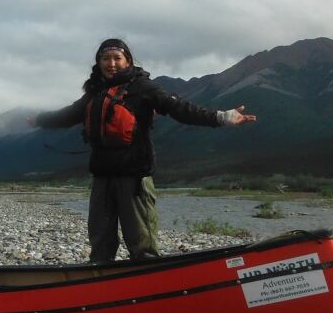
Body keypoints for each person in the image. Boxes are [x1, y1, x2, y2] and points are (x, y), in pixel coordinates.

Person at [31, 38, 256, 262]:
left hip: (134, 175)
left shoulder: (143, 87)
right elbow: (68, 115)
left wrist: (222, 117)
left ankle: (147, 275)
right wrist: (40, 119)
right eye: (105, 58)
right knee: (100, 241)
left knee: (142, 242)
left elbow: (180, 109)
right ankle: (100, 275)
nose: (111, 63)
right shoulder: (95, 92)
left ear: (127, 61)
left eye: (117, 58)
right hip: (102, 176)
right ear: (99, 63)